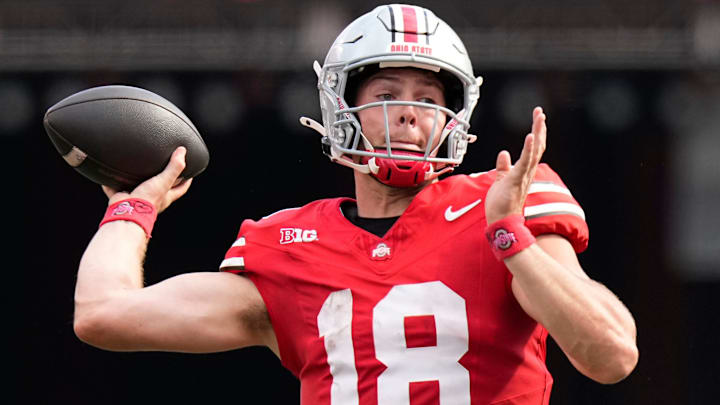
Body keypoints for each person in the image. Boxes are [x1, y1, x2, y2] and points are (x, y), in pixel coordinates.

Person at [73, 4, 638, 404]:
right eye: (387, 93)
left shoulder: (505, 200)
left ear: (456, 117)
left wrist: (510, 237)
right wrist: (132, 207)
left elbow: (611, 356)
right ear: (342, 106)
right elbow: (104, 316)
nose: (410, 112)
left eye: (428, 98)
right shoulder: (290, 246)